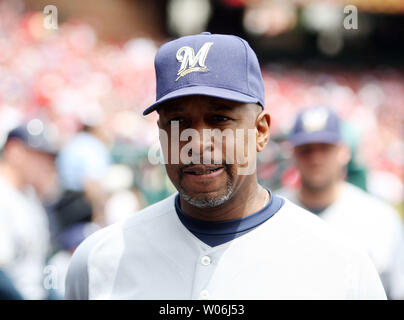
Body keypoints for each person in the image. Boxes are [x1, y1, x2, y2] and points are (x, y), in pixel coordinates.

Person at [65, 32, 386, 300]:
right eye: (178, 121)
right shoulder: (98, 260)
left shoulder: (342, 265)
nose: (197, 143)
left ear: (260, 132)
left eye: (220, 119)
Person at [277, 106, 404, 299]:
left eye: (325, 148)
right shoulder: (271, 211)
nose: (316, 158)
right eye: (306, 150)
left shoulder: (381, 218)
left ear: (344, 152)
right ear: (293, 153)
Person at [0, 123, 57, 299]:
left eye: (48, 157)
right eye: (37, 155)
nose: (46, 163)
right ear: (14, 151)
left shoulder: (30, 197)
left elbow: (42, 268)